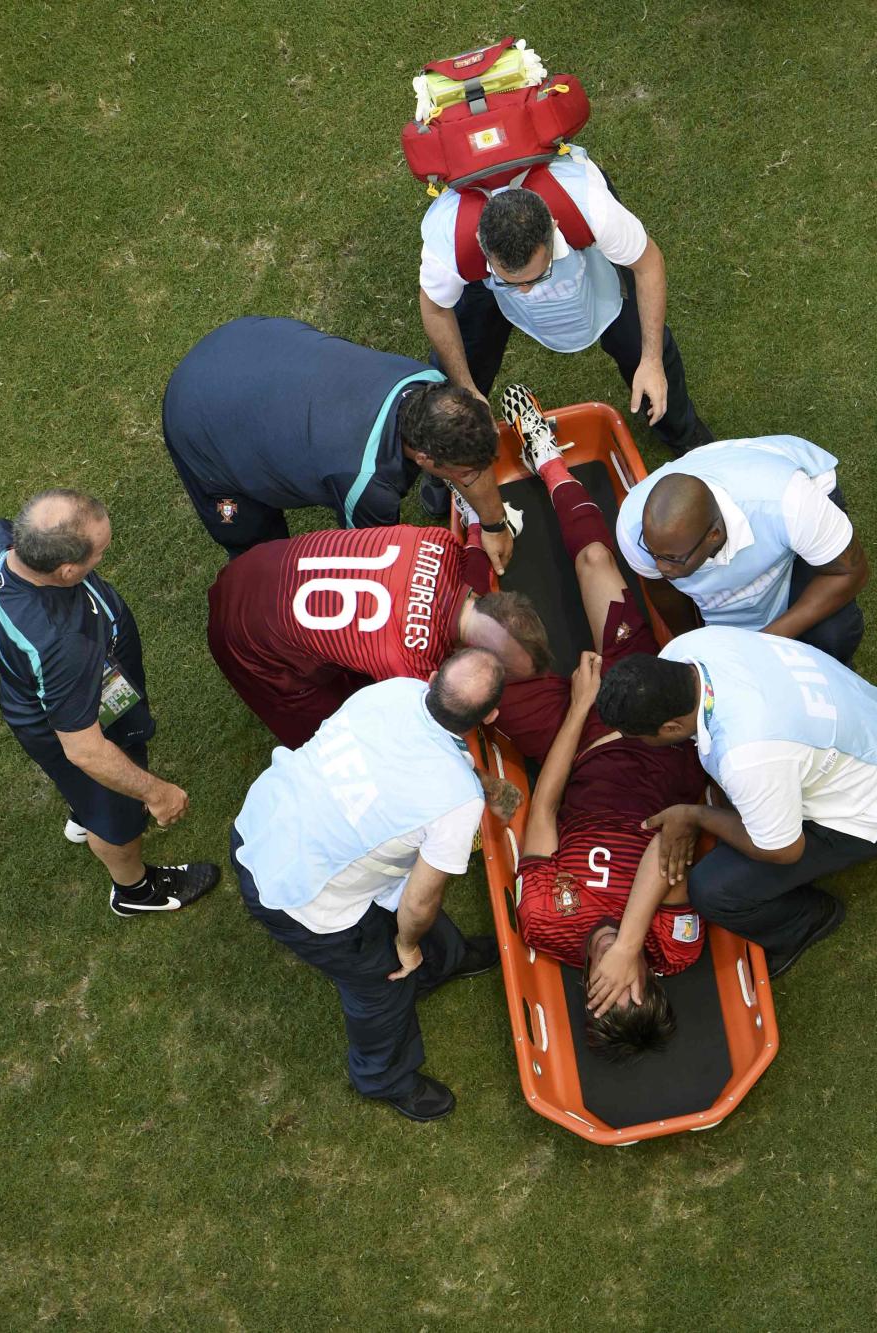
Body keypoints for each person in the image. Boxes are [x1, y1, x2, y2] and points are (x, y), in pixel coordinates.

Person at [489, 387, 707, 1060]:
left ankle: (478, 527)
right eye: (628, 987)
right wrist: (633, 941)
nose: (610, 978)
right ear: (650, 980)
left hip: (575, 740)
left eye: (598, 992)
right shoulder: (675, 947)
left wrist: (581, 707)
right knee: (593, 564)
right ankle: (549, 458)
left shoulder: (544, 927)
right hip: (653, 724)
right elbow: (661, 852)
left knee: (483, 677)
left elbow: (545, 805)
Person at [230, 650, 507, 1122]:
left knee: (397, 892)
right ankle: (383, 1078)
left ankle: (445, 962)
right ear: (491, 716)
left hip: (261, 822)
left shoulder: (394, 691)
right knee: (383, 978)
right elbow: (421, 902)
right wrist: (405, 946)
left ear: (434, 679)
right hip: (299, 894)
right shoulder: (456, 803)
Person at [0, 490, 220, 917]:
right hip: (79, 716)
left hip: (48, 693)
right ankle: (133, 889)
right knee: (117, 814)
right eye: (100, 552)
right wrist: (157, 793)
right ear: (66, 570)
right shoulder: (64, 644)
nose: (105, 556)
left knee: (90, 792)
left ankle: (84, 807)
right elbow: (85, 750)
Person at [595, 626, 877, 982]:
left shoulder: (747, 756)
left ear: (670, 727)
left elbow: (783, 850)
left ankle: (806, 921)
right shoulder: (687, 649)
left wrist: (696, 815)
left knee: (714, 890)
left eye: (640, 737)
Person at [417, 144, 712, 517]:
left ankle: (684, 434)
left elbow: (648, 264)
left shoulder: (592, 211)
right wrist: (465, 386)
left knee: (639, 343)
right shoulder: (451, 240)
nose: (526, 292)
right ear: (481, 246)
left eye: (536, 277)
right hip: (484, 265)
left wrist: (651, 360)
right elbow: (435, 307)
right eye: (511, 282)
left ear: (553, 230)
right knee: (459, 370)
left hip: (573, 234)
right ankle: (449, 456)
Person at [162, 316, 517, 574]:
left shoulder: (429, 384)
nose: (476, 477)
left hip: (247, 340)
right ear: (424, 458)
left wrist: (494, 525)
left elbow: (475, 463)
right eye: (466, 475)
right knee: (254, 540)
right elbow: (374, 566)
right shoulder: (365, 484)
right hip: (198, 419)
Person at [207, 519, 549, 748]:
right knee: (330, 736)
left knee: (349, 661)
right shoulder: (410, 664)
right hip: (246, 638)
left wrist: (476, 528)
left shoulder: (438, 540)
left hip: (258, 564)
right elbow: (420, 735)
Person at [615, 435, 868, 663]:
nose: (661, 566)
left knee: (834, 633)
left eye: (672, 558)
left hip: (798, 500)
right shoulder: (633, 528)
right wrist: (694, 644)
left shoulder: (790, 503)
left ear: (714, 535)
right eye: (654, 553)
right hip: (740, 491)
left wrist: (763, 645)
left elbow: (851, 572)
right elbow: (662, 590)